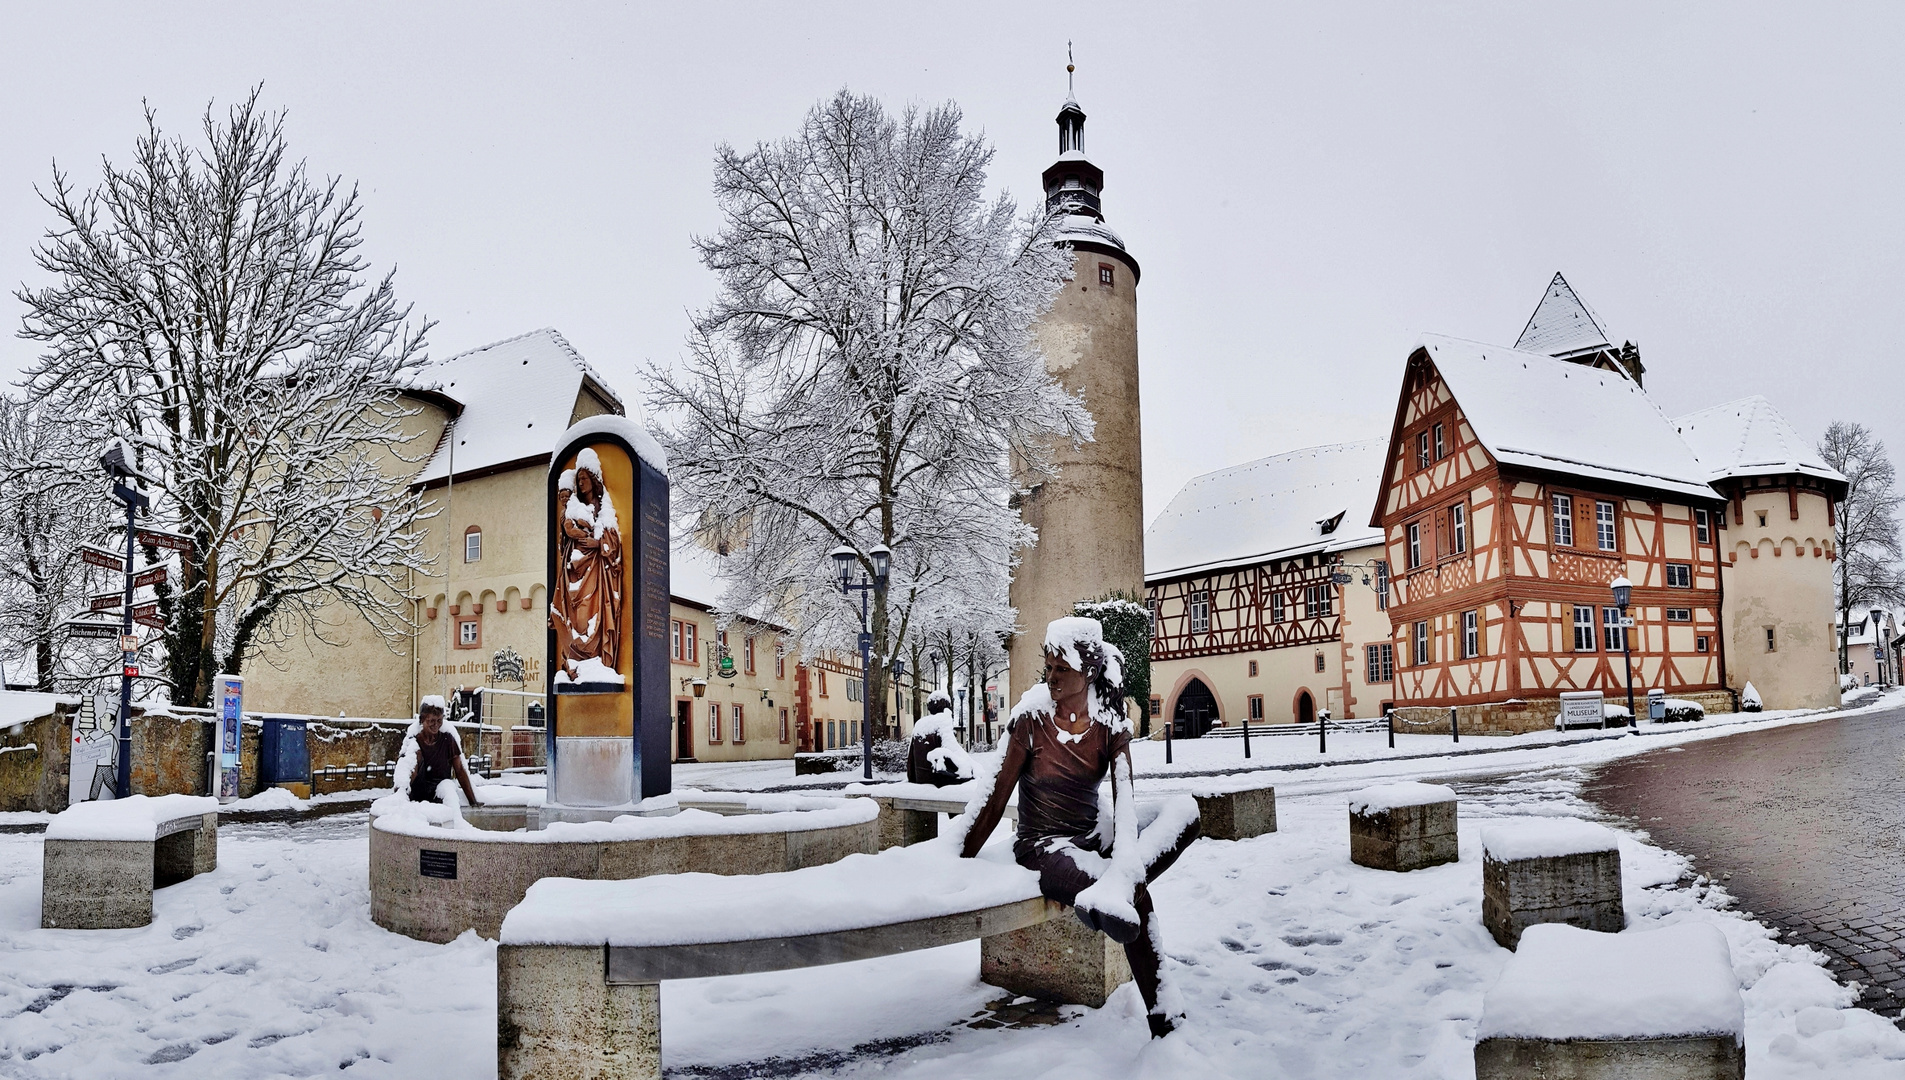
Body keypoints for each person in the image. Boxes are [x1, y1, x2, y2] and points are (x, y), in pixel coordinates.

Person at [960, 617, 1200, 1038]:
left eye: (1061, 668)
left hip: (1097, 833)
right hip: (1045, 848)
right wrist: (957, 861)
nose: (1051, 677)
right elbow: (994, 800)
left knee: (1184, 813)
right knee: (1135, 898)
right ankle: (1165, 1020)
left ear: (1087, 672)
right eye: (1048, 667)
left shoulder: (1109, 721)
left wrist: (1125, 860)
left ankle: (1117, 888)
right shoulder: (1030, 719)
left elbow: (1124, 797)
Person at [407, 697, 478, 806]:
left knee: (448, 790)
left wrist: (472, 800)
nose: (436, 725)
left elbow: (459, 769)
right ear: (422, 720)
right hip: (419, 792)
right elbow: (408, 769)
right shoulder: (414, 740)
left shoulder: (447, 740)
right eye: (431, 721)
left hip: (440, 790)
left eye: (439, 720)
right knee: (415, 754)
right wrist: (401, 795)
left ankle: (455, 820)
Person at [907, 691, 970, 787]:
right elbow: (951, 749)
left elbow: (910, 760)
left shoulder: (919, 724)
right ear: (946, 707)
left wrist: (912, 778)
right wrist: (970, 765)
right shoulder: (942, 721)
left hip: (920, 780)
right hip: (937, 781)